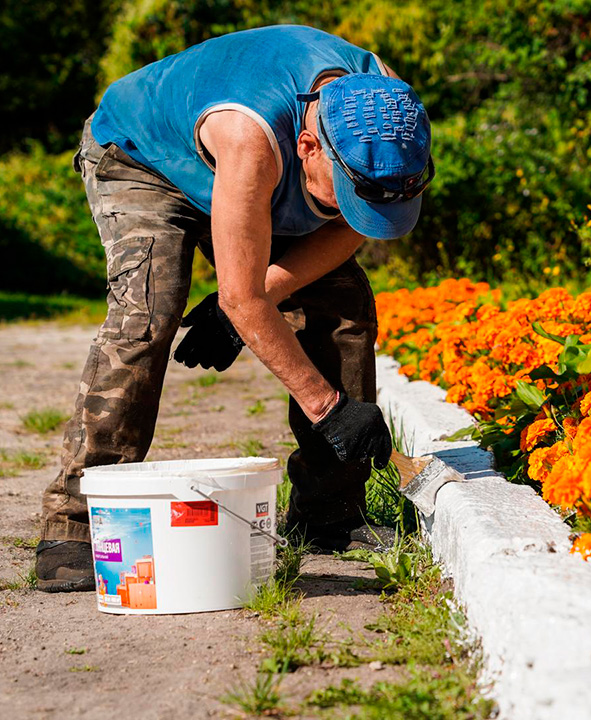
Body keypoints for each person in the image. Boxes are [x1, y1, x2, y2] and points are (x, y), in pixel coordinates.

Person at [35, 25, 433, 592]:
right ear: (309, 147)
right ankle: (73, 522)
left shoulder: (389, 116)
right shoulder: (251, 138)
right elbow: (241, 295)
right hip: (144, 158)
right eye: (340, 194)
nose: (346, 209)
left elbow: (346, 232)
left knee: (342, 305)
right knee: (147, 313)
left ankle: (329, 515)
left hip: (249, 178)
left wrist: (245, 306)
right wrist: (327, 405)